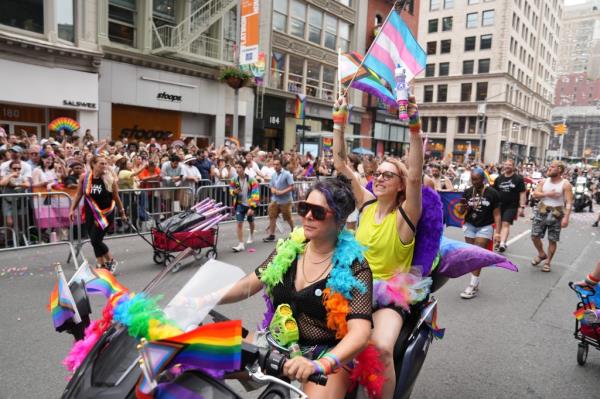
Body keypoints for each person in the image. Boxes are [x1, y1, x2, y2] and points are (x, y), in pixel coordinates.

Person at [207, 177, 372, 398]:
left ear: (340, 221)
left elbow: (360, 333)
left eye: (319, 212)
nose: (308, 216)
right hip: (275, 345)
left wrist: (321, 364)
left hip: (324, 354)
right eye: (304, 208)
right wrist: (204, 299)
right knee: (194, 360)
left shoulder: (355, 266)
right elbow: (249, 284)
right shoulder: (290, 248)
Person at [333, 94, 425, 397]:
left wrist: (414, 128)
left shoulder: (405, 216)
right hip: (352, 288)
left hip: (387, 293)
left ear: (400, 184)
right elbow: (339, 162)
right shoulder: (368, 204)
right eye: (378, 173)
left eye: (389, 174)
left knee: (382, 347)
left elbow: (416, 177)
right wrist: (339, 123)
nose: (380, 178)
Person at [69, 155, 127, 273]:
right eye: (101, 163)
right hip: (90, 212)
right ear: (93, 165)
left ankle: (111, 260)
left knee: (96, 240)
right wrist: (72, 209)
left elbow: (116, 197)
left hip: (106, 213)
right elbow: (79, 194)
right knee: (94, 239)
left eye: (106, 163)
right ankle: (101, 263)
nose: (104, 166)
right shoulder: (84, 178)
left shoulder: (110, 179)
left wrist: (122, 212)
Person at [459, 167, 501, 299]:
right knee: (472, 255)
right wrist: (462, 208)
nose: (474, 182)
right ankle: (475, 281)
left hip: (485, 227)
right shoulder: (467, 192)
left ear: (483, 179)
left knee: (477, 254)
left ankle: (471, 285)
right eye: (472, 179)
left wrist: (498, 232)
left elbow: (497, 214)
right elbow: (460, 212)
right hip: (470, 225)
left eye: (477, 179)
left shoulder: (492, 193)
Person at [530, 160, 573, 272]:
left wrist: (566, 217)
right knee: (534, 236)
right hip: (542, 211)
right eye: (549, 166)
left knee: (552, 239)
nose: (549, 168)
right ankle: (541, 254)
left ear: (559, 169)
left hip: (557, 214)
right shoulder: (544, 181)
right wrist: (548, 194)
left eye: (552, 167)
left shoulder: (566, 184)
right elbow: (535, 194)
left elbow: (568, 202)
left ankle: (548, 262)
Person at [493, 159, 526, 252]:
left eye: (510, 165)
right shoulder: (499, 179)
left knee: (506, 223)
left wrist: (522, 206)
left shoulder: (518, 179)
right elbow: (494, 192)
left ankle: (502, 243)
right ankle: (498, 242)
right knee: (498, 224)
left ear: (513, 167)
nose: (507, 166)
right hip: (498, 205)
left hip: (511, 205)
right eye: (506, 164)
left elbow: (522, 193)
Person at [229, 160, 259, 252]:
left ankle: (251, 234)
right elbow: (231, 190)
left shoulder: (251, 180)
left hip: (249, 204)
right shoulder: (234, 179)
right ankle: (241, 244)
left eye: (239, 167)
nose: (237, 169)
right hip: (240, 204)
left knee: (250, 220)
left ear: (244, 168)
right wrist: (234, 192)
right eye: (236, 167)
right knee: (239, 223)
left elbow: (255, 193)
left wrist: (252, 207)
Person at [263, 158, 295, 242]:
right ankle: (271, 235)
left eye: (277, 164)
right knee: (272, 216)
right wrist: (273, 189)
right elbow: (271, 186)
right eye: (274, 164)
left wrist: (281, 192)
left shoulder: (287, 174)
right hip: (275, 200)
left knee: (287, 217)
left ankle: (293, 231)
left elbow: (291, 186)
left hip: (285, 200)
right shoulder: (274, 175)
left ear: (281, 165)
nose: (275, 166)